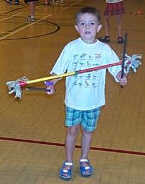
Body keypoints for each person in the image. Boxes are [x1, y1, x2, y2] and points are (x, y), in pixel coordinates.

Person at [45, 6, 127, 180]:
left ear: (98, 28)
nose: (87, 27)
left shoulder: (104, 49)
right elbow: (59, 71)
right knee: (72, 132)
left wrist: (120, 75)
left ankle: (84, 158)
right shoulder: (71, 48)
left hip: (94, 101)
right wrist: (52, 82)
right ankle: (68, 162)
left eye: (91, 23)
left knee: (88, 132)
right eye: (82, 24)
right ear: (77, 28)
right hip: (74, 101)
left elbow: (115, 69)